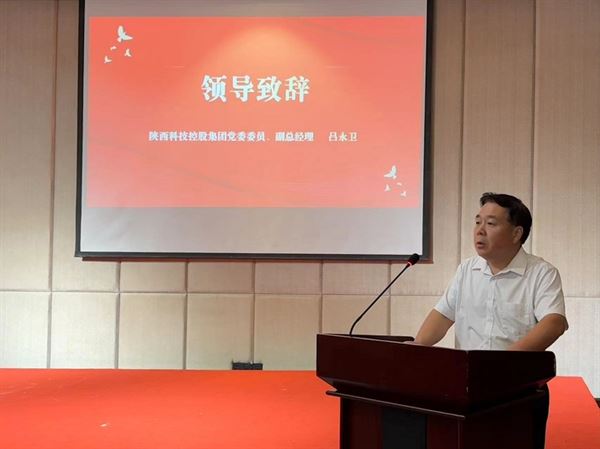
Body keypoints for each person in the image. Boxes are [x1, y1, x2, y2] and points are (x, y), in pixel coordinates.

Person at [413, 192, 568, 449]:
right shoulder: (467, 270)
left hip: (518, 389)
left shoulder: (541, 273)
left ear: (516, 233)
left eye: (491, 223)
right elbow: (442, 315)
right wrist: (416, 349)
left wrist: (499, 366)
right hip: (466, 387)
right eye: (477, 222)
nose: (479, 230)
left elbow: (554, 323)